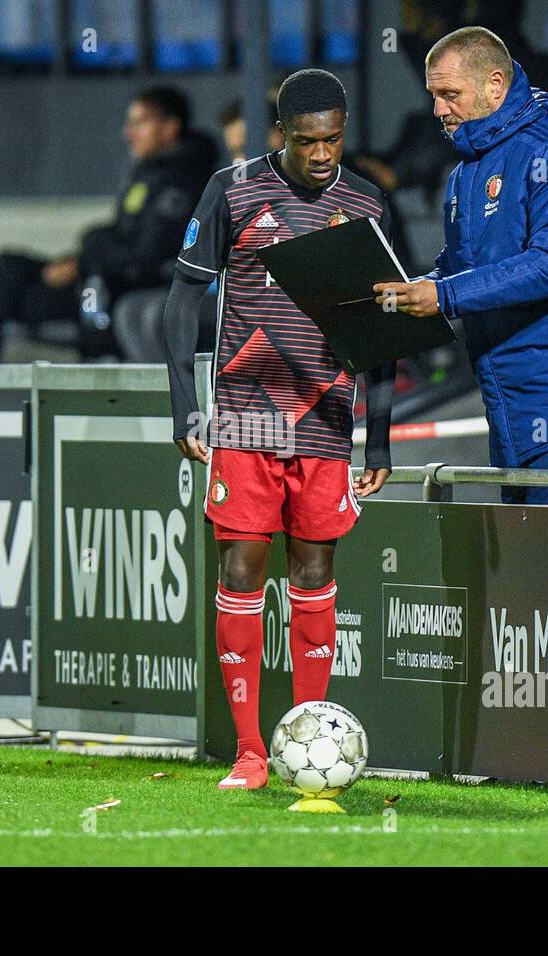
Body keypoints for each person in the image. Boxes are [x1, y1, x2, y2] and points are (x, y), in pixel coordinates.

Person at [163, 69, 396, 791]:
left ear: (344, 129)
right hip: (241, 415)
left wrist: (378, 435)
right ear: (281, 136)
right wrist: (183, 405)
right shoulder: (231, 191)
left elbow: (381, 319)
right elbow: (179, 302)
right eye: (306, 142)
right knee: (240, 569)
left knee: (315, 572)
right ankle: (249, 753)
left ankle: (305, 737)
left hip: (326, 421)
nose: (321, 154)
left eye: (332, 139)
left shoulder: (365, 202)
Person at [374, 27, 548, 505]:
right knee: (530, 577)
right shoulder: (465, 173)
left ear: (495, 86)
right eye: (434, 95)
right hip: (514, 414)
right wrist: (412, 289)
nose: (438, 109)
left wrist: (442, 296)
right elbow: (458, 266)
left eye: (450, 94)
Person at [0, 86, 216, 363]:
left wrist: (91, 250)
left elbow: (144, 261)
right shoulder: (149, 173)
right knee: (8, 265)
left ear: (169, 127)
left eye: (139, 123)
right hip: (97, 275)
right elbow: (123, 240)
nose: (128, 134)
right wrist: (84, 257)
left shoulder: (180, 184)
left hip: (111, 291)